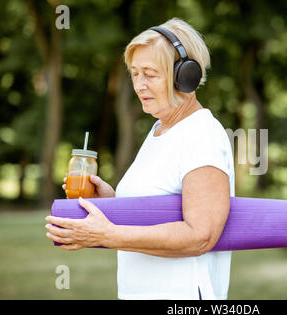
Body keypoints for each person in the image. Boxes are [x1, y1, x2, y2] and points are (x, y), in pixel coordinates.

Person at [45, 17, 235, 300]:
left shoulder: (201, 135)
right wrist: (110, 203)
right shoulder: (160, 130)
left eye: (150, 73)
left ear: (185, 76)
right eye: (135, 73)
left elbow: (200, 235)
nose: (139, 85)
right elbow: (155, 213)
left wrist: (108, 236)